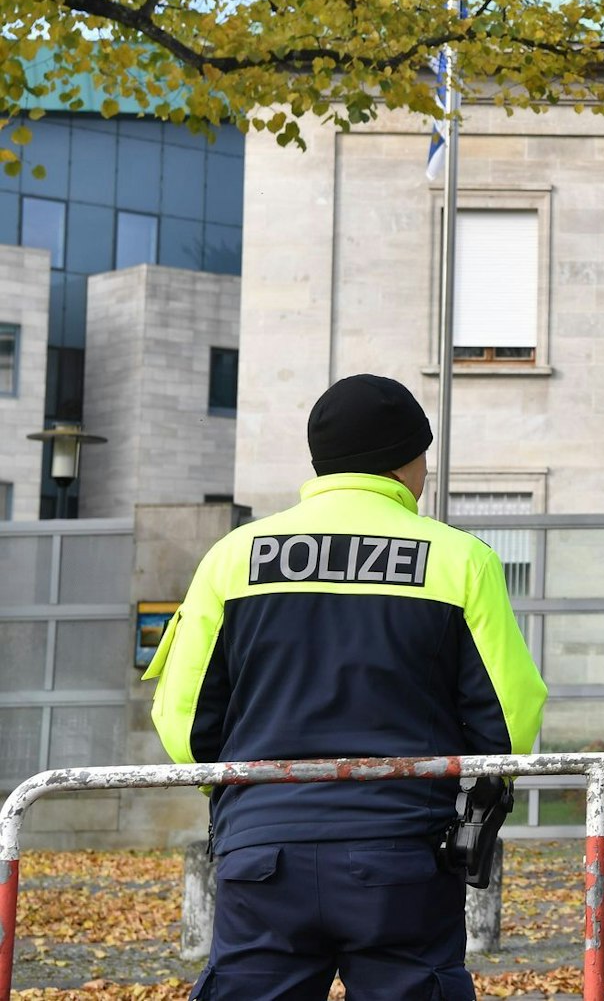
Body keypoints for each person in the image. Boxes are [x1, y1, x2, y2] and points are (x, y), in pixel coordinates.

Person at [145, 373, 547, 1001]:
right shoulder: (459, 560)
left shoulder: (232, 556)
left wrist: (246, 798)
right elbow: (507, 721)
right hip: (402, 855)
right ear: (408, 462)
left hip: (263, 852)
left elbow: (184, 722)